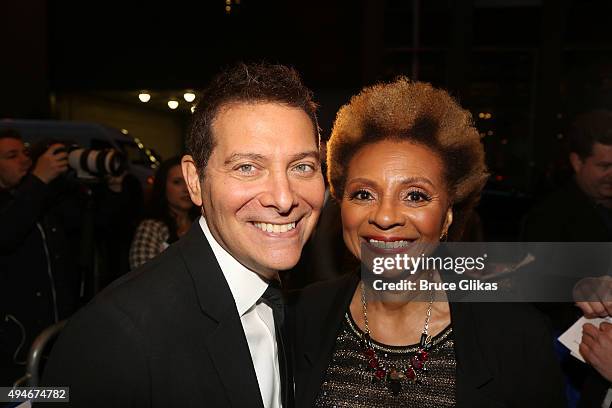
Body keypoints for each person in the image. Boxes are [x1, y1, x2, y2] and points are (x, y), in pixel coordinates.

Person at [42, 62, 325, 407]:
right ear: (194, 181)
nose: (284, 198)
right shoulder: (117, 334)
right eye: (248, 168)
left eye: (302, 167)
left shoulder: (292, 300)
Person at [293, 78, 566, 407]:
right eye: (363, 194)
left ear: (448, 214)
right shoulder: (299, 317)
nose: (385, 216)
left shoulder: (516, 336)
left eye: (415, 195)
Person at [522, 110, 612, 407]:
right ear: (577, 162)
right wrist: (577, 286)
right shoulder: (548, 214)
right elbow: (529, 281)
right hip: (567, 360)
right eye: (604, 166)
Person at [129, 156, 198, 270]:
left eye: (189, 181)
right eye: (177, 182)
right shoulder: (152, 227)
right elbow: (143, 275)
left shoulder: (205, 223)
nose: (186, 189)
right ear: (163, 186)